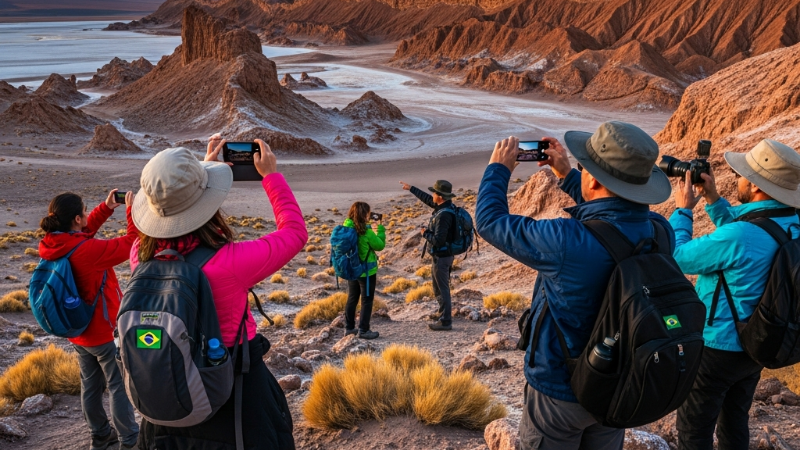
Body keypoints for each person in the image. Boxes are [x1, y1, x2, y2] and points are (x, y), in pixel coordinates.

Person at [475, 122, 675, 450]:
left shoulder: (566, 241)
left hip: (559, 391)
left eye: (585, 168)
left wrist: (498, 169)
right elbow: (612, 213)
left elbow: (490, 221)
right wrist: (570, 173)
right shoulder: (660, 231)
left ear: (593, 179)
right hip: (620, 385)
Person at [130, 138, 307, 449]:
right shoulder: (231, 263)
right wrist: (271, 176)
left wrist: (196, 175)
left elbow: (170, 220)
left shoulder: (139, 257)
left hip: (169, 387)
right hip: (235, 386)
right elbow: (293, 232)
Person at [670, 139, 800, 450]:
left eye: (742, 173)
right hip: (759, 340)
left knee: (694, 429)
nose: (737, 178)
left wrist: (682, 211)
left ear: (756, 187)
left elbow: (676, 256)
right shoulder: (793, 223)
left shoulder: (740, 236)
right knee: (734, 420)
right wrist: (714, 200)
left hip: (718, 346)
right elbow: (759, 232)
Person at [38, 190, 139, 450]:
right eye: (84, 211)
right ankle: (129, 440)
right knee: (118, 385)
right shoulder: (89, 252)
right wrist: (130, 210)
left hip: (77, 332)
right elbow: (130, 243)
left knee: (91, 386)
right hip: (103, 334)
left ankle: (101, 435)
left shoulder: (53, 243)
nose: (86, 215)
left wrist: (105, 208)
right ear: (76, 219)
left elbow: (82, 234)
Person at [399, 179, 457, 331]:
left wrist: (425, 233)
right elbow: (426, 199)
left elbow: (438, 240)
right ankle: (442, 315)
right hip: (443, 255)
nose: (432, 194)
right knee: (438, 286)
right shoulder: (445, 207)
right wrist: (411, 188)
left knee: (442, 288)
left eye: (434, 192)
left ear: (440, 196)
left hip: (442, 256)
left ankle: (445, 321)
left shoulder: (444, 215)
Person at [342, 202, 386, 339]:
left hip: (352, 269)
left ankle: (349, 328)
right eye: (368, 213)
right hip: (366, 272)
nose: (369, 215)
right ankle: (364, 330)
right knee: (367, 300)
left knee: (352, 298)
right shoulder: (366, 233)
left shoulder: (347, 228)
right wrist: (380, 229)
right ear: (363, 214)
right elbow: (380, 245)